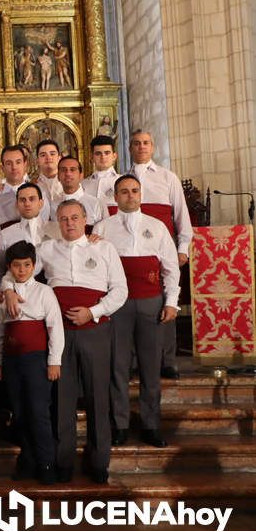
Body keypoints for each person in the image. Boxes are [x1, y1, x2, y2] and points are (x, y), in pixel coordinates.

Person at [7, 200, 127, 484]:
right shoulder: (47, 250)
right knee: (62, 398)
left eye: (75, 217)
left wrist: (92, 312)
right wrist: (8, 291)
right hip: (58, 332)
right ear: (57, 222)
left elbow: (120, 290)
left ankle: (99, 461)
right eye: (64, 219)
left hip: (95, 329)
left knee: (98, 396)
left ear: (85, 219)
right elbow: (17, 269)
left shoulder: (104, 248)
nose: (70, 223)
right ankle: (63, 461)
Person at [93, 175, 179, 448]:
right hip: (117, 305)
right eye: (124, 192)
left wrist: (171, 301)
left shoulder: (157, 227)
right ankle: (120, 424)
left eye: (134, 191)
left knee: (150, 365)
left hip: (150, 302)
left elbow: (170, 267)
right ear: (115, 197)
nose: (130, 196)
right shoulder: (103, 228)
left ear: (140, 195)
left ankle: (151, 424)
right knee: (117, 365)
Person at [0, 241, 63, 484]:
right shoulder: (4, 297)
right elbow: (0, 332)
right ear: (10, 267)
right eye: (16, 266)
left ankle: (46, 463)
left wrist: (54, 361)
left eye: (26, 265)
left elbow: (55, 328)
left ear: (34, 266)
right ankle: (29, 460)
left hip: (37, 360)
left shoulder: (44, 292)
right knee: (19, 413)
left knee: (38, 412)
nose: (21, 270)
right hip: (12, 361)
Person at [127, 129, 193, 380]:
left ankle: (167, 360)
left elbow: (181, 217)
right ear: (130, 148)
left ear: (152, 147)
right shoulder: (123, 179)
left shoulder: (168, 178)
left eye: (146, 143)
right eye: (136, 143)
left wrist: (182, 249)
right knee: (133, 305)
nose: (142, 147)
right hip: (134, 255)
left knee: (168, 304)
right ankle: (134, 359)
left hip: (164, 253)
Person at [0, 183, 59, 274]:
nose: (27, 204)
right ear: (17, 204)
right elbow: (1, 269)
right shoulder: (5, 235)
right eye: (22, 200)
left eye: (32, 199)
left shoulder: (57, 231)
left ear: (41, 203)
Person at [0, 145, 50, 229]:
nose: (14, 167)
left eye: (18, 162)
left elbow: (44, 227)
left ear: (25, 165)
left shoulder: (41, 196)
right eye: (9, 163)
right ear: (2, 168)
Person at [51, 156, 108, 231]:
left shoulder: (96, 204)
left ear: (81, 176)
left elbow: (106, 233)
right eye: (63, 170)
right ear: (58, 176)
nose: (68, 173)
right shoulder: (53, 205)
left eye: (72, 170)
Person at [81, 135, 119, 206]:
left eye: (107, 153)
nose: (103, 157)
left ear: (114, 156)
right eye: (98, 153)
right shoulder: (83, 185)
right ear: (92, 157)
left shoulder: (123, 182)